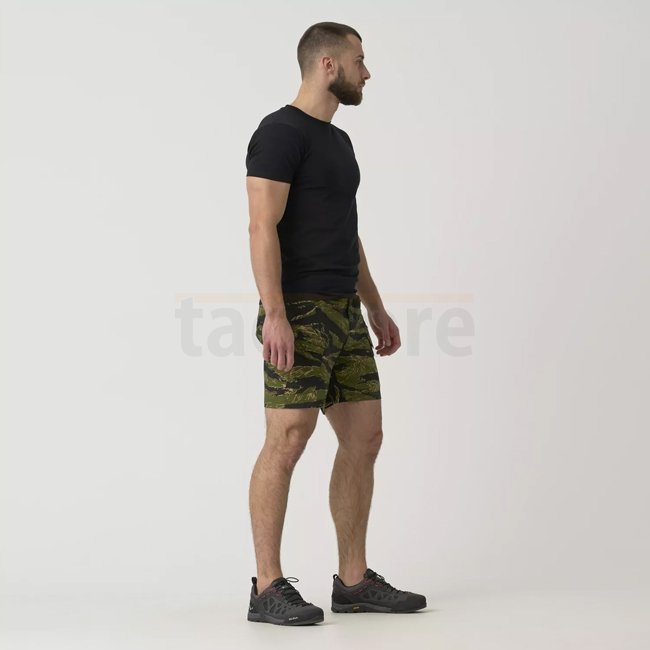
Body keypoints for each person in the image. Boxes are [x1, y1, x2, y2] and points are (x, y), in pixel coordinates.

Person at [244, 21, 426, 626]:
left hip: (344, 310)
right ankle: (267, 586)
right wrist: (275, 313)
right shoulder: (279, 133)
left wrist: (374, 305)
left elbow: (348, 232)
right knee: (289, 438)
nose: (366, 72)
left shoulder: (339, 142)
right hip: (296, 307)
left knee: (365, 437)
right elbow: (261, 225)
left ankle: (353, 581)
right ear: (328, 64)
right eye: (359, 60)